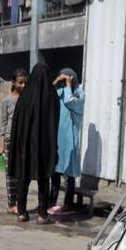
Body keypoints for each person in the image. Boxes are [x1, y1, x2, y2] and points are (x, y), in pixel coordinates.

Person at [8, 62, 60, 224]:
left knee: (23, 178)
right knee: (44, 179)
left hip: (25, 147)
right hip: (44, 147)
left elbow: (17, 124)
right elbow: (55, 122)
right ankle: (42, 214)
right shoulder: (51, 96)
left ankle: (22, 213)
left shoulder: (25, 97)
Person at [50, 68, 85, 216]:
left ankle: (67, 204)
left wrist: (69, 86)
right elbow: (46, 96)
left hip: (70, 140)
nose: (65, 82)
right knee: (55, 172)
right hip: (57, 138)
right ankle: (51, 202)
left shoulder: (79, 95)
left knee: (69, 174)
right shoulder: (60, 93)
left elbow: (70, 103)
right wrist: (56, 82)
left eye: (67, 79)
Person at [0, 68, 28, 214]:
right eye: (20, 83)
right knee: (10, 173)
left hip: (23, 139)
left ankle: (20, 201)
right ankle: (11, 203)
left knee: (21, 172)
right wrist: (2, 143)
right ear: (14, 82)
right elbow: (3, 122)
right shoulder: (7, 101)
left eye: (25, 83)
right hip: (10, 138)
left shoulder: (28, 99)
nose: (23, 86)